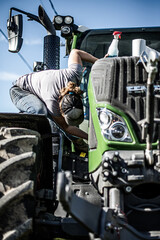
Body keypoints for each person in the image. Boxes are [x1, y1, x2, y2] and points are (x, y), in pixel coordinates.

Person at [9, 49, 99, 150]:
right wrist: (90, 137)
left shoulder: (74, 74)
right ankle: (21, 133)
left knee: (57, 121)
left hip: (44, 90)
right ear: (60, 108)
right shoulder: (52, 102)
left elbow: (75, 52)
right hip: (21, 91)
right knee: (40, 112)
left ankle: (78, 143)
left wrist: (98, 62)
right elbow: (67, 127)